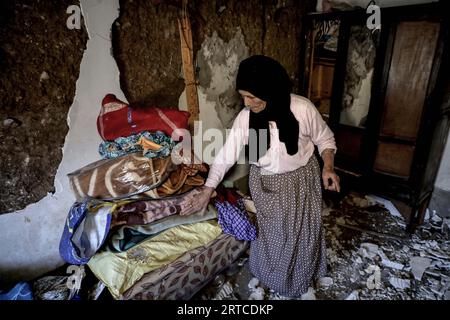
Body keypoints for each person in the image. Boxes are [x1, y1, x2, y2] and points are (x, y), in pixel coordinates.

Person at [182, 55, 340, 297]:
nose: (246, 102)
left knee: (301, 234)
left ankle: (297, 278)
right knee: (272, 234)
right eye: (243, 95)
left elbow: (325, 140)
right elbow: (226, 155)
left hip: (300, 180)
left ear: (270, 90)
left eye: (252, 96)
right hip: (265, 182)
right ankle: (271, 274)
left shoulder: (301, 108)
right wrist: (207, 189)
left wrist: (327, 166)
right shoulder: (247, 118)